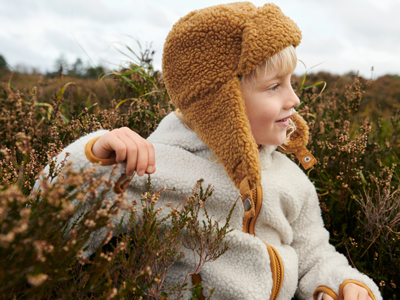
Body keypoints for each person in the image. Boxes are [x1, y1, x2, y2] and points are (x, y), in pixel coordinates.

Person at [34, 2, 382, 300]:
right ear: (220, 101)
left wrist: (340, 283)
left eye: (291, 82)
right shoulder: (151, 168)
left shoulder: (291, 179)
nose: (294, 99)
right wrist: (93, 160)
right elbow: (49, 226)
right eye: (274, 86)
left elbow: (312, 253)